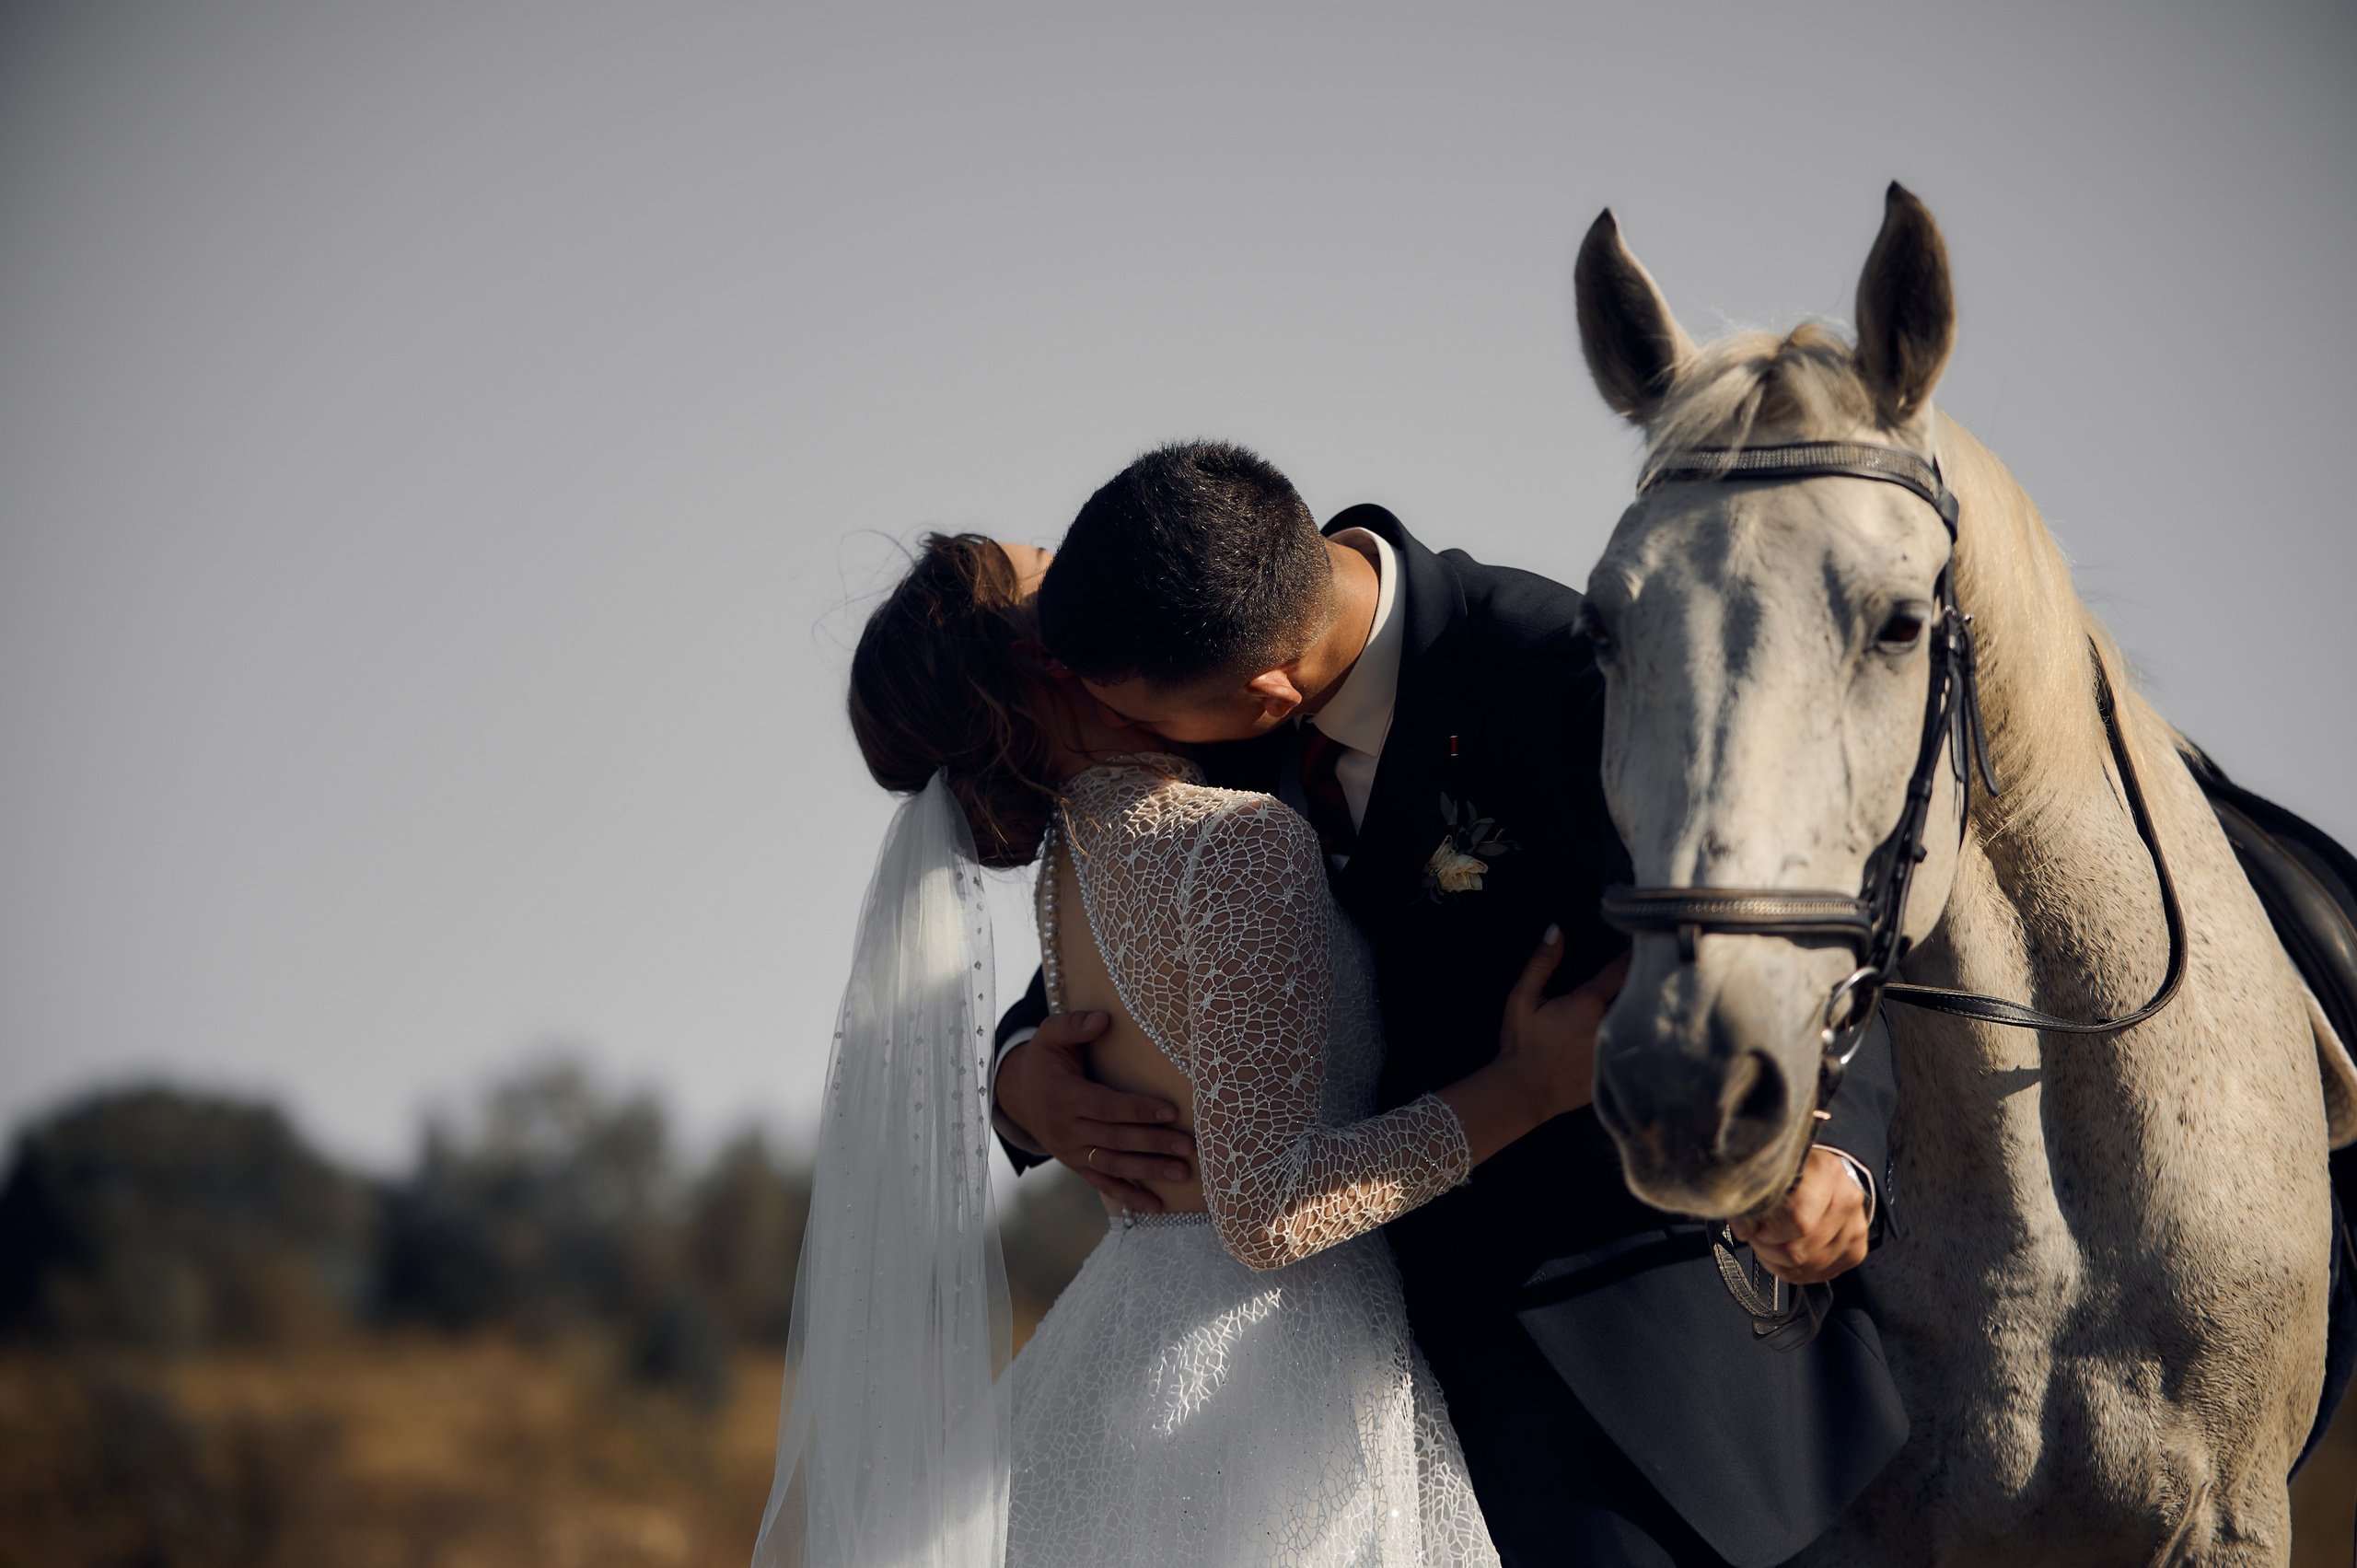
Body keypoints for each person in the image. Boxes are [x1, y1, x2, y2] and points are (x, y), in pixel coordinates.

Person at [991, 443, 1908, 1568]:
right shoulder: (1209, 649)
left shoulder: (1570, 673)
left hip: (1623, 1352)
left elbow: (1790, 917)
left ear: (1267, 691)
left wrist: (1837, 1155)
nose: (1116, 731)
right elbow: (1124, 940)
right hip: (1342, 1367)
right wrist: (1022, 1077)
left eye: (1123, 708)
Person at [757, 530, 1625, 1568]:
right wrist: (1527, 1086)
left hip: (1133, 1343)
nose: (1092, 569)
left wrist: (1025, 1077)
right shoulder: (1233, 841)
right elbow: (1268, 1210)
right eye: (1051, 566)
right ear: (1046, 653)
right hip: (1275, 1379)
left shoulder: (1071, 859)